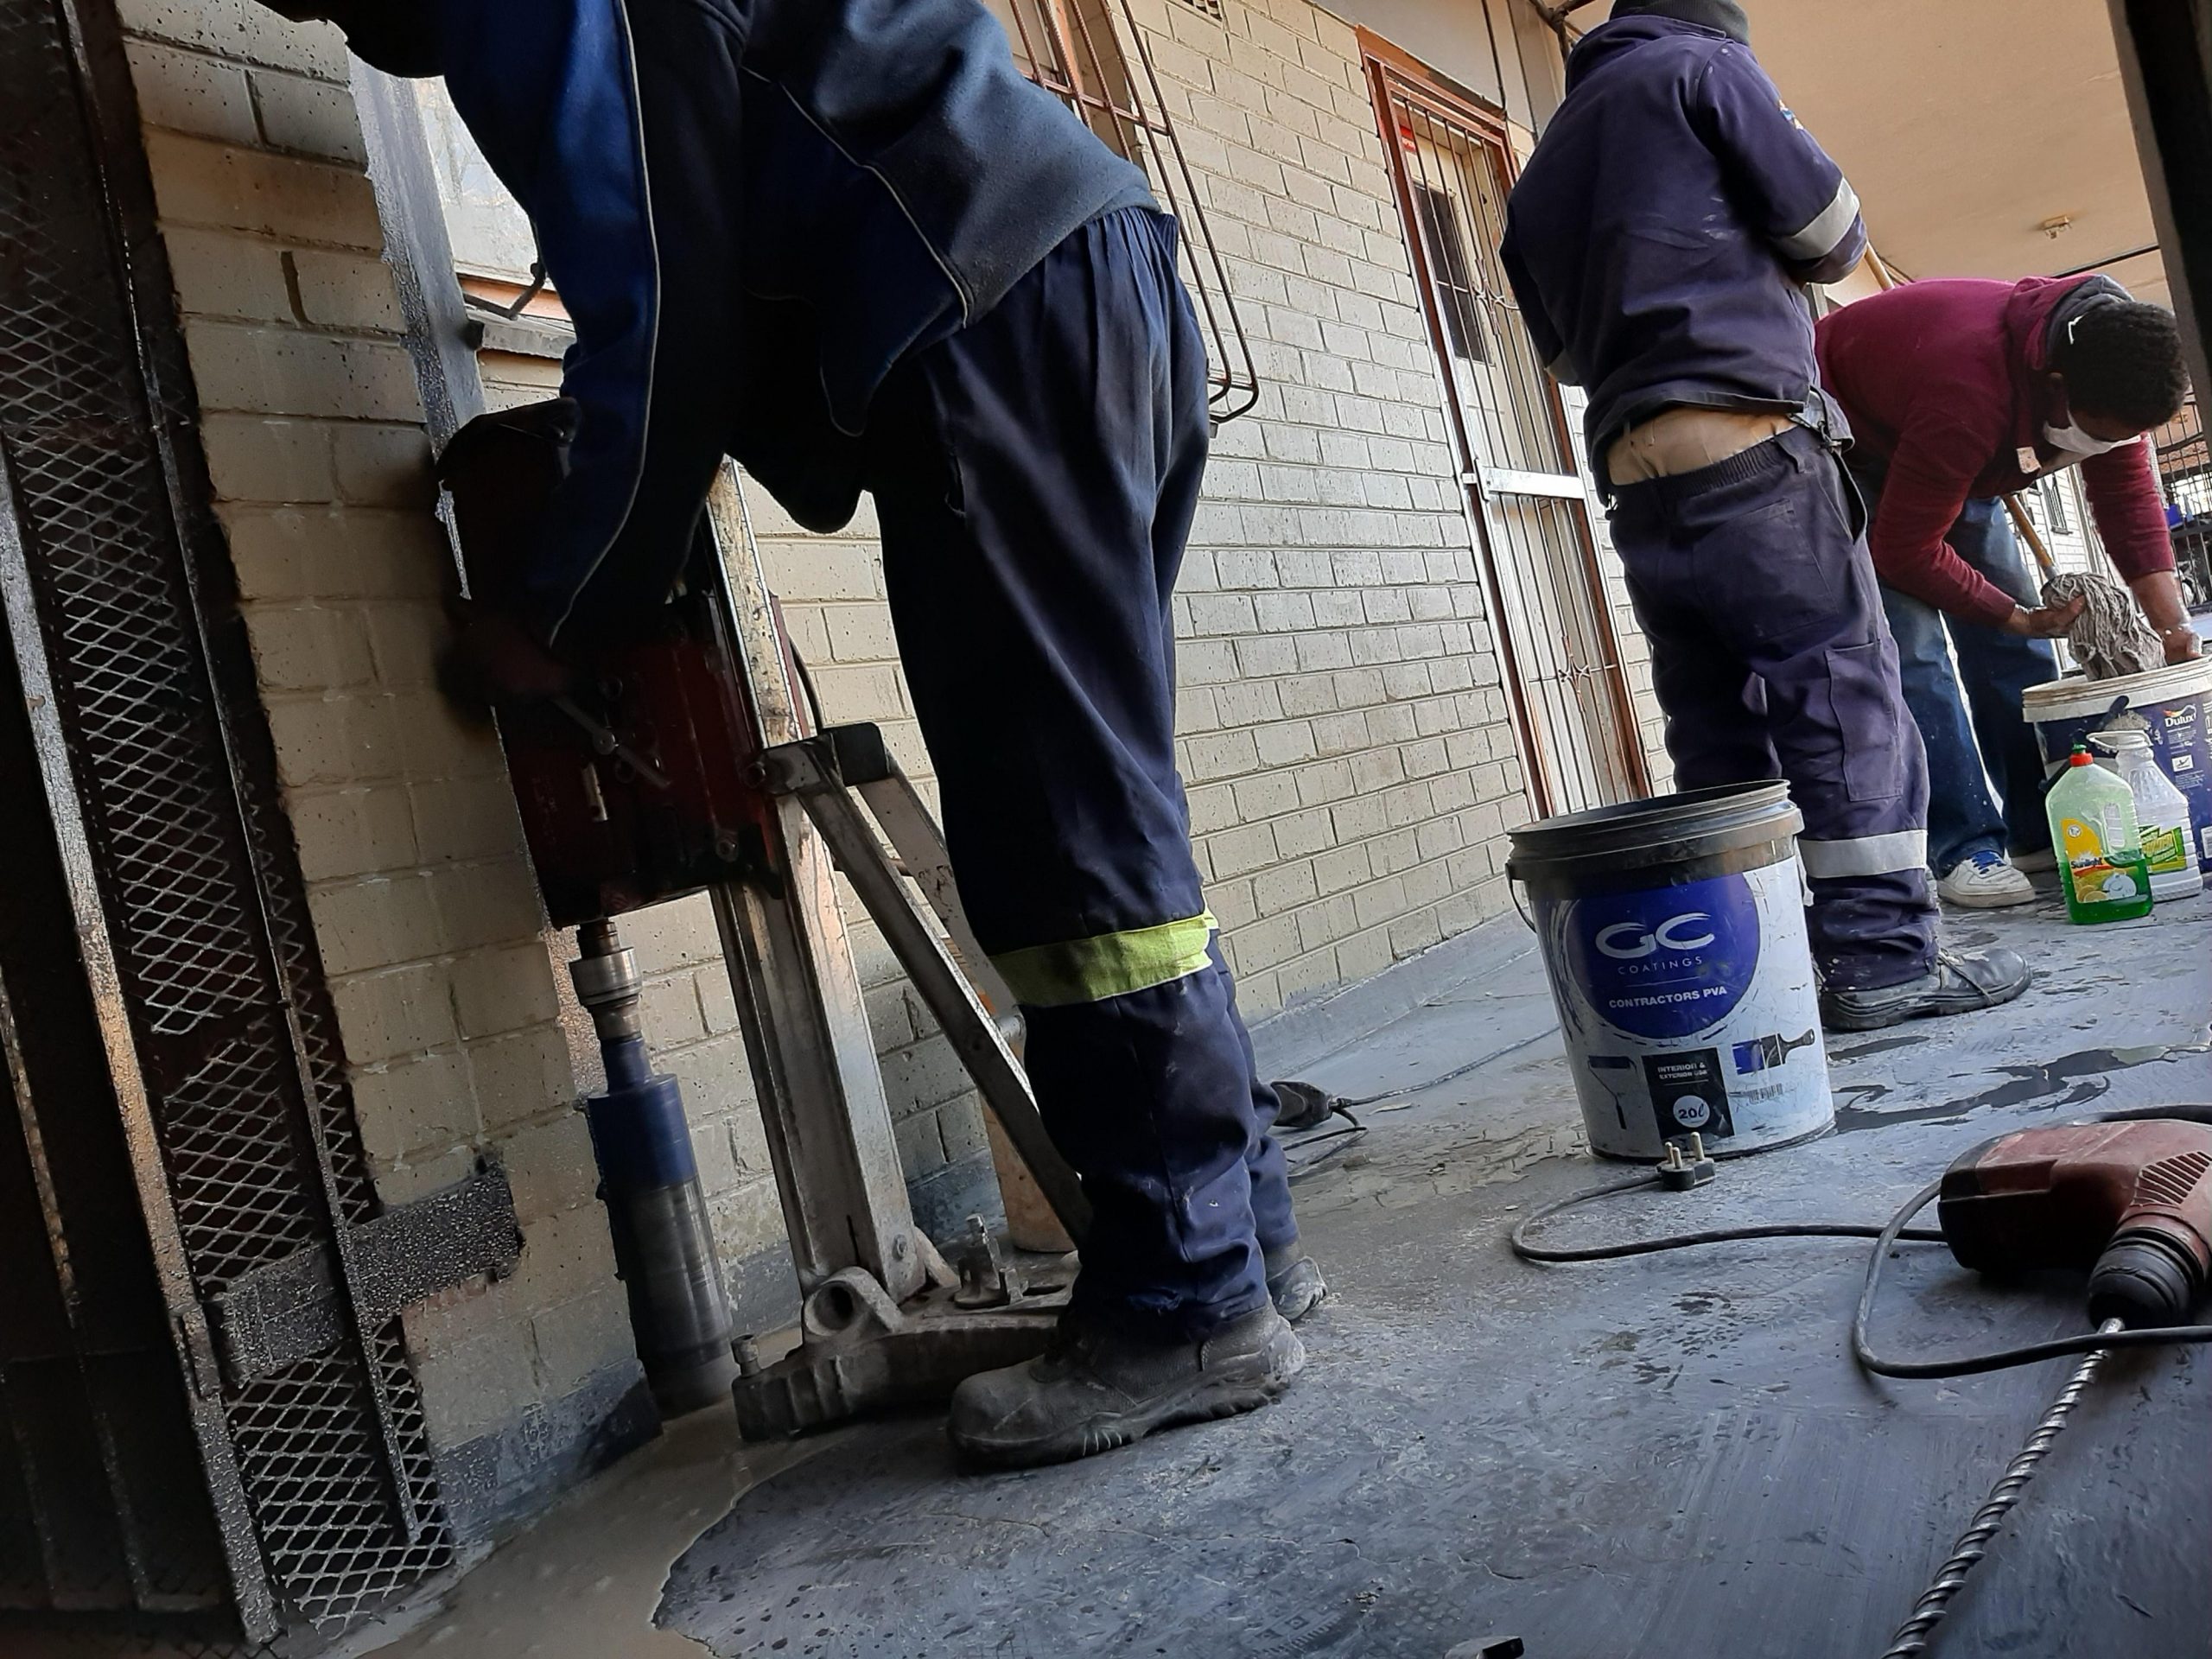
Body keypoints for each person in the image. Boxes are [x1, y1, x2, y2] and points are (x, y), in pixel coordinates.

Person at [269, 0, 1319, 1468]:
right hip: (1081, 264)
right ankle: (1242, 1241)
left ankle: (1189, 1303)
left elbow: (661, 305)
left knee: (1064, 830)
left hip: (990, 304)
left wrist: (562, 600)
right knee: (1104, 802)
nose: (343, 26)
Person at [1498, 0, 2027, 1033]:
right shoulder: (1702, 70)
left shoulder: (1543, 162)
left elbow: (1560, 355)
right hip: (1748, 436)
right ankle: (1883, 959)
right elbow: (1829, 236)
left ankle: (1760, 966)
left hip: (1634, 466)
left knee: (1714, 718)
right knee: (1838, 691)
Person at [1815, 277, 2202, 907]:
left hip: (1954, 450)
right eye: (2095, 432)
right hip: (1849, 447)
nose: (2099, 448)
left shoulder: (2113, 367)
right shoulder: (1968, 391)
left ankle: (2039, 826)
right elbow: (1905, 551)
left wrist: (2172, 625)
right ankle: (1965, 847)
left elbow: (2129, 504)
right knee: (1917, 655)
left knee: (2019, 654)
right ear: (2055, 384)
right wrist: (2014, 615)